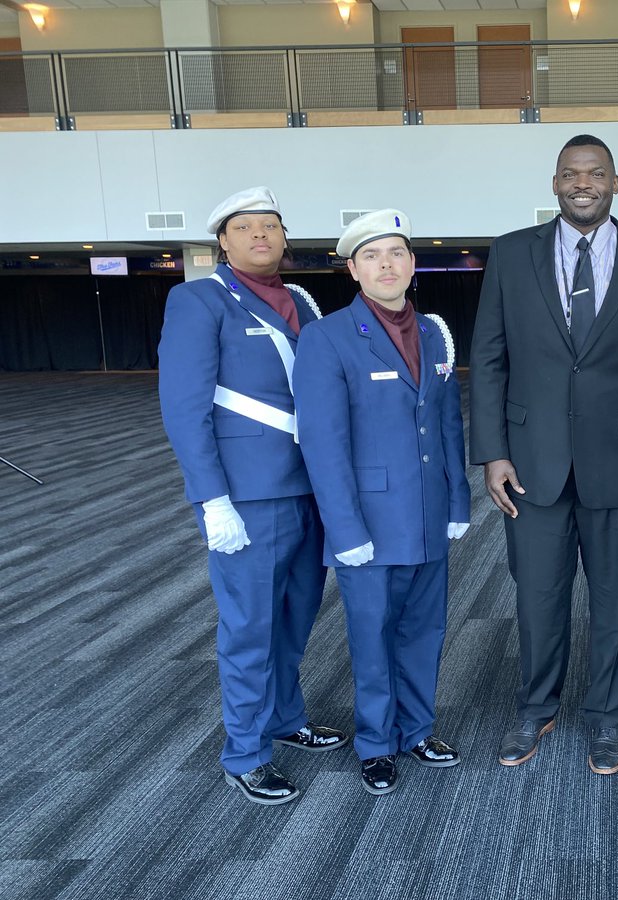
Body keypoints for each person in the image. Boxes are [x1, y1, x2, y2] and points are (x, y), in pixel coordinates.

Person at [470, 133, 618, 775]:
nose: (582, 183)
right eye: (570, 173)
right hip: (530, 464)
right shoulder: (512, 256)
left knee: (615, 601)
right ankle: (535, 709)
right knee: (537, 598)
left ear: (615, 182)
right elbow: (488, 358)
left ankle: (609, 720)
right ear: (555, 183)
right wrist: (492, 452)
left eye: (595, 172)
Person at [159, 186, 347, 806]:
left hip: (311, 489)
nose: (260, 235)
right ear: (224, 240)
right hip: (248, 497)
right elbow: (186, 409)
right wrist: (210, 499)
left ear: (285, 238)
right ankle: (245, 750)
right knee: (248, 627)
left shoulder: (301, 303)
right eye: (246, 227)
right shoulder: (199, 299)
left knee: (295, 616)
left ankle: (285, 718)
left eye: (271, 225)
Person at [293, 209, 470, 796]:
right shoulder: (325, 338)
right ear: (352, 269)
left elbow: (448, 423)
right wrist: (343, 528)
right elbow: (322, 443)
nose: (386, 265)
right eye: (371, 256)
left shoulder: (432, 332)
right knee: (371, 636)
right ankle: (375, 742)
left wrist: (458, 502)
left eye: (396, 253)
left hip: (426, 514)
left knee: (425, 630)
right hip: (366, 523)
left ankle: (417, 729)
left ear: (413, 264)